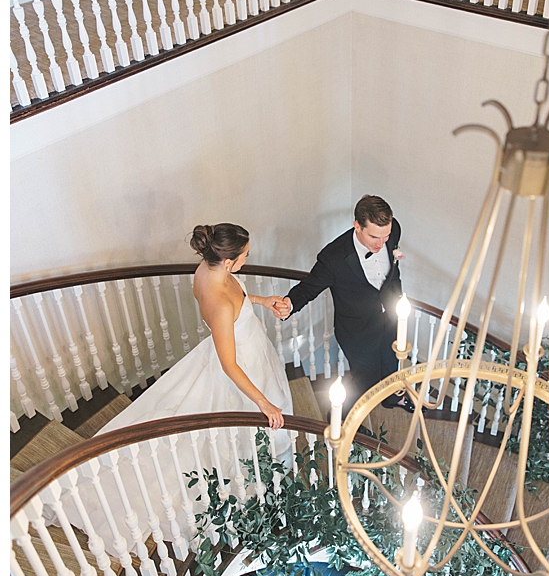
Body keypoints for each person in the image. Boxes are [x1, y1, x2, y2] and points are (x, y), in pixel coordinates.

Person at [67, 223, 294, 553]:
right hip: (242, 369)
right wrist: (264, 403)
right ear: (228, 262)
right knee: (226, 442)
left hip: (247, 352)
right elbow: (230, 365)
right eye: (245, 256)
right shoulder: (217, 302)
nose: (248, 259)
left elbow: (238, 298)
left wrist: (260, 300)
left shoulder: (205, 269)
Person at [275, 195, 404, 413]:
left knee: (392, 362)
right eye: (374, 237)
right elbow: (308, 288)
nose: (381, 244)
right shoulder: (333, 258)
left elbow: (392, 270)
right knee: (365, 380)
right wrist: (289, 303)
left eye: (386, 237)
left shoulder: (393, 231)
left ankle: (391, 398)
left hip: (391, 317)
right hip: (358, 330)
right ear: (357, 226)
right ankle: (340, 417)